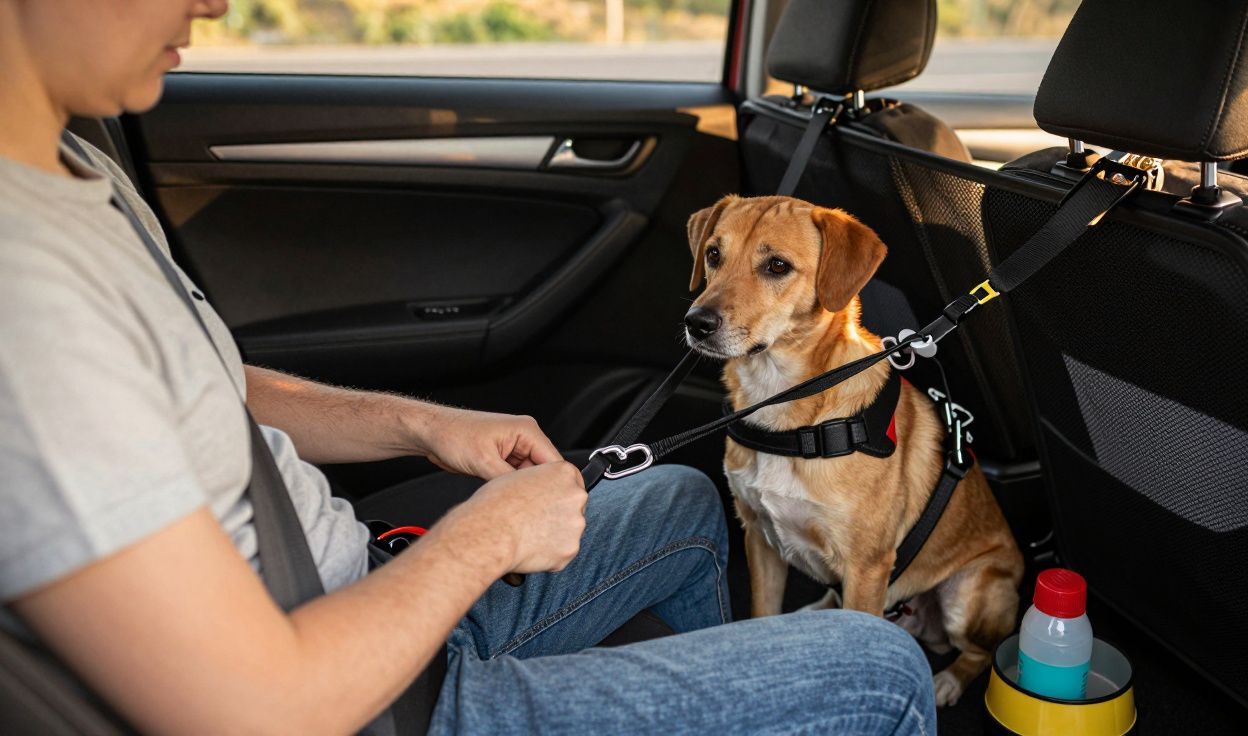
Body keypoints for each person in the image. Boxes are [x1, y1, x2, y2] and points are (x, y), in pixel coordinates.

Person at [0, 1, 937, 733]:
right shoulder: (28, 293)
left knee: (687, 504)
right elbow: (261, 710)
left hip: (372, 591)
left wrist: (427, 426)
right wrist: (483, 540)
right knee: (883, 665)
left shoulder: (78, 166)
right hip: (372, 699)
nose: (212, 3)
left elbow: (214, 384)